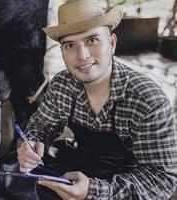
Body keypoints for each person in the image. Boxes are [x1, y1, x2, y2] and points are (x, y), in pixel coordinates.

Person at [17, 0, 177, 199]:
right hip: (79, 169)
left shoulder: (147, 101)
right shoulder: (62, 84)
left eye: (92, 40)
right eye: (70, 45)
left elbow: (162, 179)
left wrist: (93, 191)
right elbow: (42, 124)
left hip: (125, 189)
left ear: (112, 43)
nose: (82, 55)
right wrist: (32, 141)